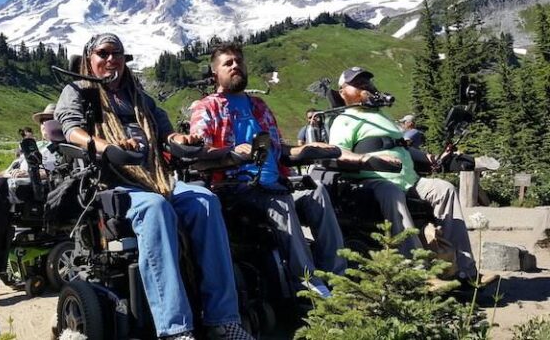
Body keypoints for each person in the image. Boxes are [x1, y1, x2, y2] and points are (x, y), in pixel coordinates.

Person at [55, 33, 253, 340]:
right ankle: (176, 329)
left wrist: (180, 140)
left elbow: (165, 132)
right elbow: (70, 129)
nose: (111, 59)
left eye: (117, 53)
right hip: (113, 185)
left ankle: (222, 319)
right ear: (89, 59)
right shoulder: (79, 90)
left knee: (205, 201)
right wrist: (106, 146)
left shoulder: (139, 96)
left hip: (157, 178)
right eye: (103, 53)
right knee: (155, 208)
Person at [189, 43, 345, 299]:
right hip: (235, 188)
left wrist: (308, 149)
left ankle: (337, 275)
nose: (236, 65)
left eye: (239, 61)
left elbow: (280, 151)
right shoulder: (207, 108)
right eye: (228, 63)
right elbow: (198, 156)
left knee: (316, 193)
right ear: (215, 72)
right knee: (281, 202)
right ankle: (307, 287)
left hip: (275, 183)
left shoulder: (259, 106)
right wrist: (231, 154)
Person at [328, 66, 494, 285]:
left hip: (408, 179)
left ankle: (464, 270)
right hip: (373, 181)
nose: (365, 87)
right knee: (392, 193)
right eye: (357, 84)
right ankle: (420, 274)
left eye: (366, 83)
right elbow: (337, 154)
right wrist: (368, 160)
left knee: (444, 189)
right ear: (342, 92)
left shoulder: (382, 116)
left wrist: (432, 158)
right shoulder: (344, 120)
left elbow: (401, 147)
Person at [5, 103, 64, 178]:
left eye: (50, 120)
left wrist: (32, 174)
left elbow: (64, 171)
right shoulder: (36, 144)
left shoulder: (66, 147)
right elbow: (16, 164)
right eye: (42, 121)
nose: (44, 124)